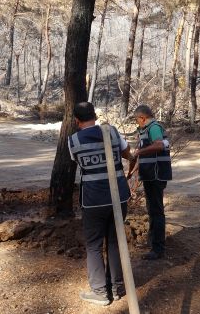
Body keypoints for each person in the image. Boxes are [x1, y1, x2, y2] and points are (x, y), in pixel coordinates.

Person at [68, 102, 134, 306]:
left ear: (77, 121)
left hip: (93, 200)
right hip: (118, 198)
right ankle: (115, 287)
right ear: (95, 116)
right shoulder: (112, 132)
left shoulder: (73, 140)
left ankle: (100, 292)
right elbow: (126, 152)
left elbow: (76, 161)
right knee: (115, 242)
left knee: (94, 246)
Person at [127, 105, 172, 260]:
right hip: (150, 176)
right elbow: (146, 156)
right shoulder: (145, 131)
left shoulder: (153, 128)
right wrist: (131, 173)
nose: (137, 123)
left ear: (143, 118)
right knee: (152, 209)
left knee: (156, 211)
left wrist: (139, 151)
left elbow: (159, 145)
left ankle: (158, 249)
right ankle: (153, 243)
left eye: (136, 120)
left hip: (156, 176)